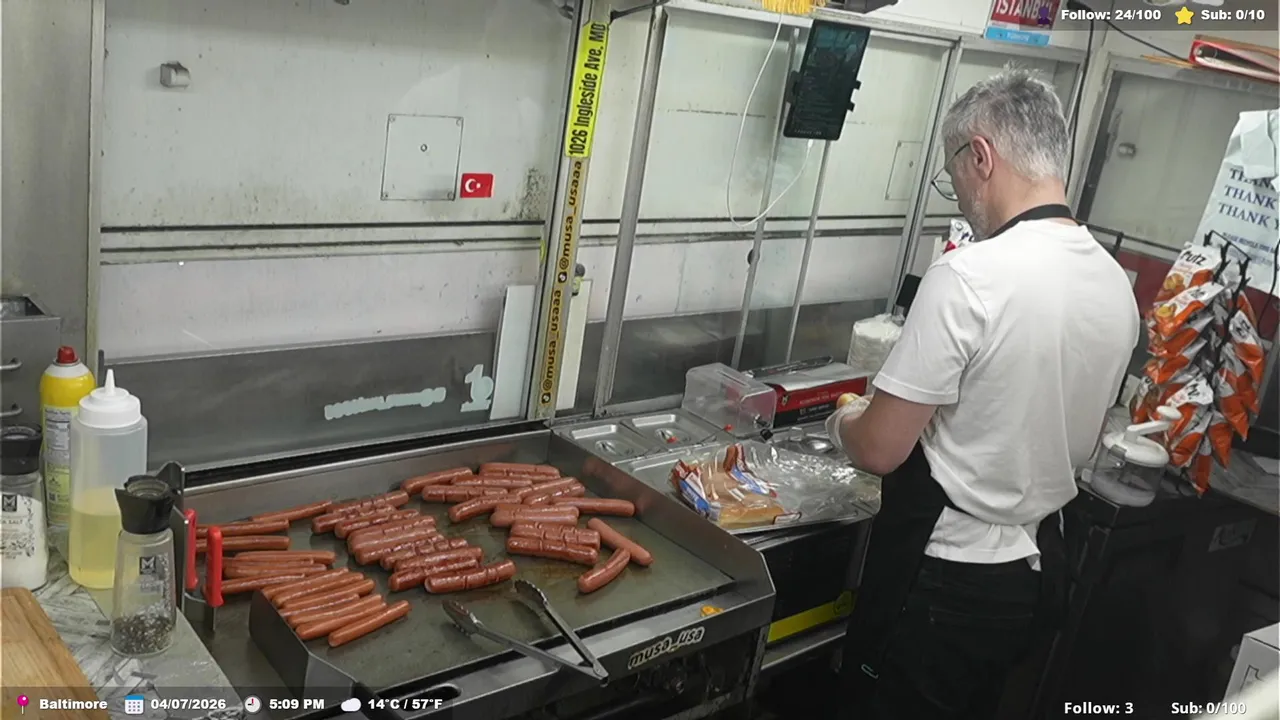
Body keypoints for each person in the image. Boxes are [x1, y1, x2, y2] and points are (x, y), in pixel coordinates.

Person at [825, 69, 1140, 719]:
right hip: (1034, 575)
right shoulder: (1116, 287)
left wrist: (845, 420)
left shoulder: (970, 275)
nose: (960, 194)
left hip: (943, 581)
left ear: (981, 156)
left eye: (953, 173)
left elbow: (881, 449)